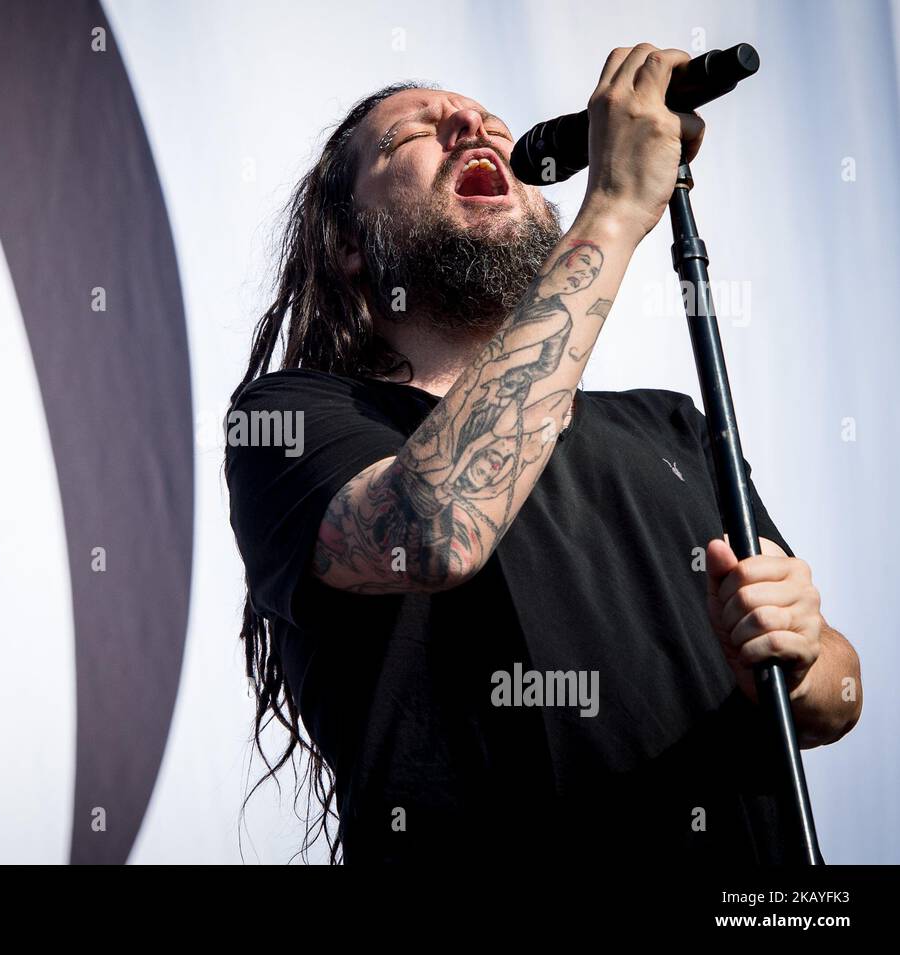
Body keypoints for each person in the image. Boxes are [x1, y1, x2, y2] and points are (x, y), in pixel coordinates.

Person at [224, 44, 862, 863]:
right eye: (409, 137)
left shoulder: (670, 427)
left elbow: (838, 699)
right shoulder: (294, 420)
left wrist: (802, 650)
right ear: (350, 243)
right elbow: (436, 529)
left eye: (492, 124)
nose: (471, 123)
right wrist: (618, 207)